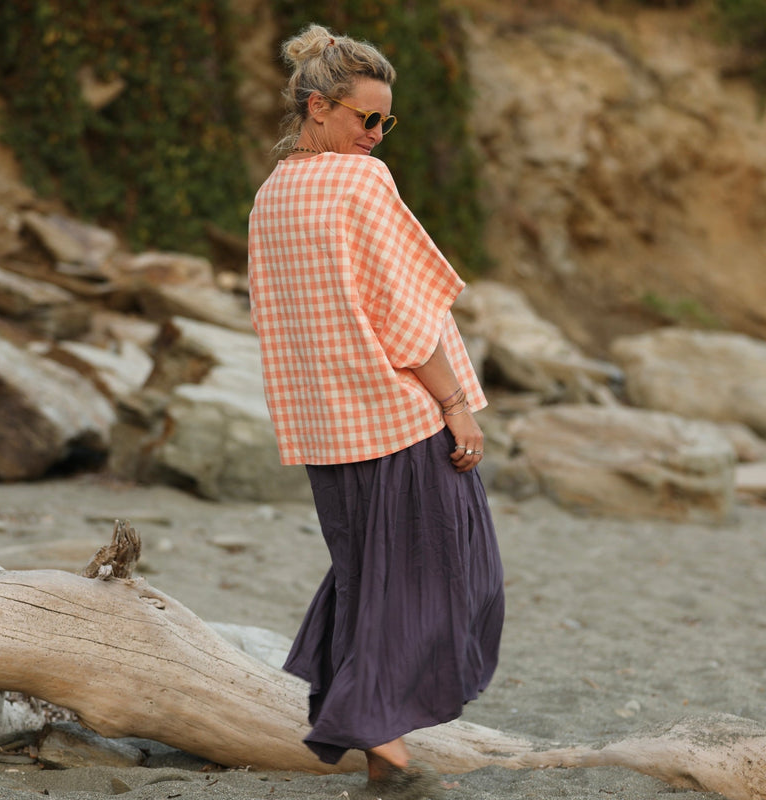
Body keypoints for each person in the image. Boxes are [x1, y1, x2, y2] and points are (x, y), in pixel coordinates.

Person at [247, 23, 504, 799]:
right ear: (319, 108)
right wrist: (457, 404)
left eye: (386, 121)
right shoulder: (363, 183)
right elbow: (407, 314)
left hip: (327, 429)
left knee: (371, 582)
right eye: (367, 119)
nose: (377, 134)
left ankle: (380, 746)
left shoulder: (271, 195)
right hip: (399, 419)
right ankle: (375, 737)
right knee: (458, 579)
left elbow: (283, 320)